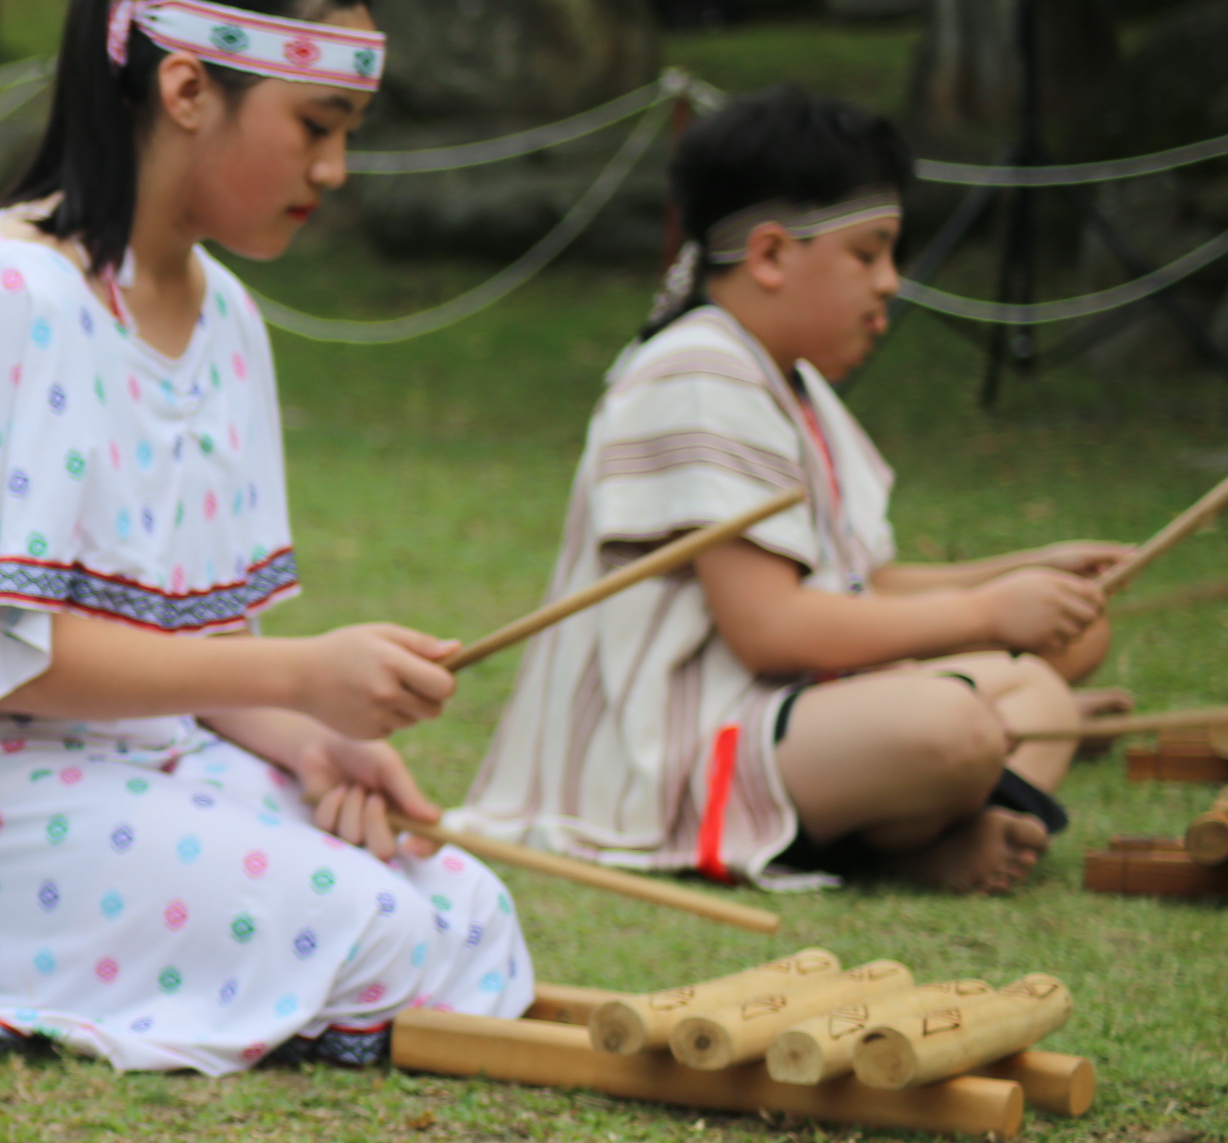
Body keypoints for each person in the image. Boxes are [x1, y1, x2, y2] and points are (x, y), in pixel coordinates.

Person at [0, 0, 536, 1075]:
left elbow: (206, 645)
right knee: (370, 924)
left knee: (463, 903)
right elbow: (13, 659)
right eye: (315, 128)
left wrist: (312, 741)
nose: (333, 171)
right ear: (187, 87)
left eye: (345, 134)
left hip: (142, 768)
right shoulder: (18, 293)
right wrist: (303, 675)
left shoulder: (227, 317)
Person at [460, 87, 1127, 898]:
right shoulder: (699, 372)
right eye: (869, 253)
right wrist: (990, 614)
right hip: (685, 746)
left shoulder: (785, 379)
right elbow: (772, 629)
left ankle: (934, 822)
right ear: (771, 255)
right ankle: (904, 841)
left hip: (789, 710)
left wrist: (1027, 575)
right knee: (953, 728)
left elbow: (857, 587)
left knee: (1052, 664)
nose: (891, 283)